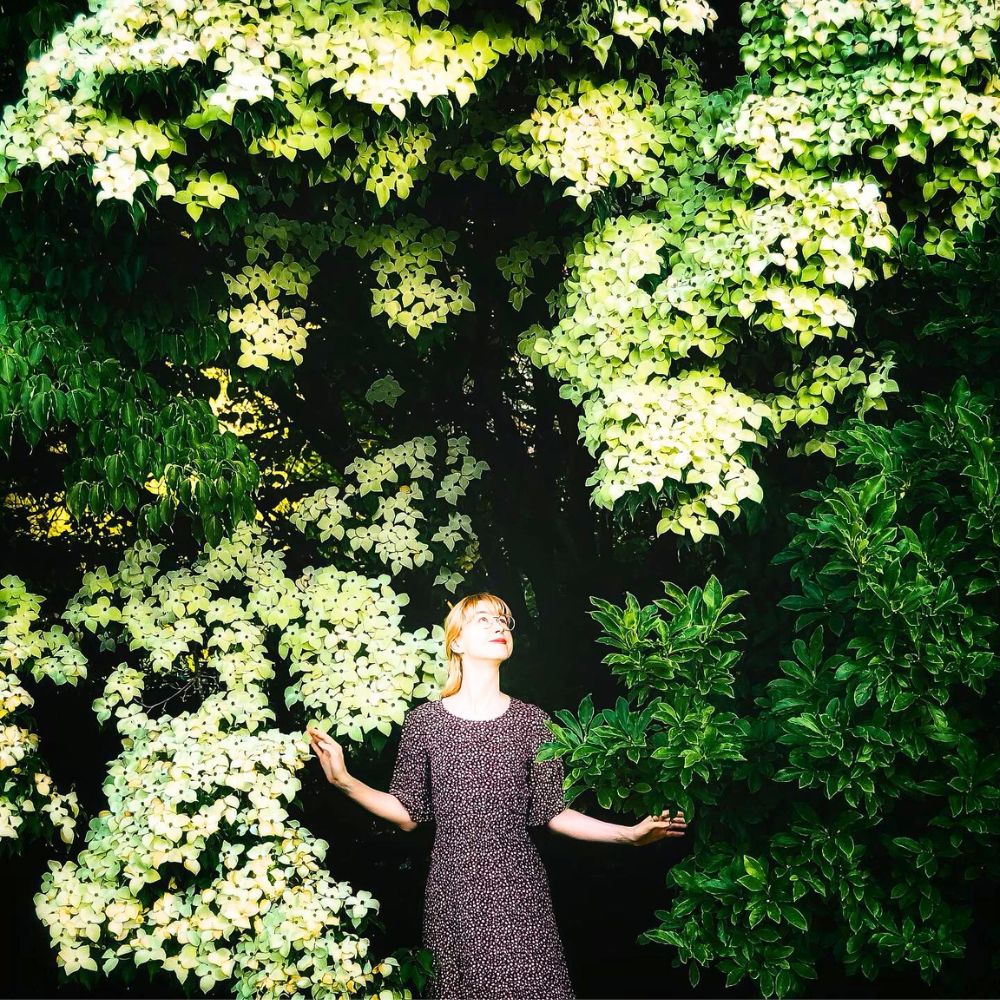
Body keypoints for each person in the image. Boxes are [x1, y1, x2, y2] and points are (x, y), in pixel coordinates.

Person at [308, 592, 687, 999]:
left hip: (518, 888)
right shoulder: (424, 723)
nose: (500, 626)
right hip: (453, 889)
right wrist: (345, 781)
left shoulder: (532, 722)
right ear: (456, 642)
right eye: (484, 620)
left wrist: (627, 835)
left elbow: (553, 812)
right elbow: (407, 814)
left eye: (504, 620)